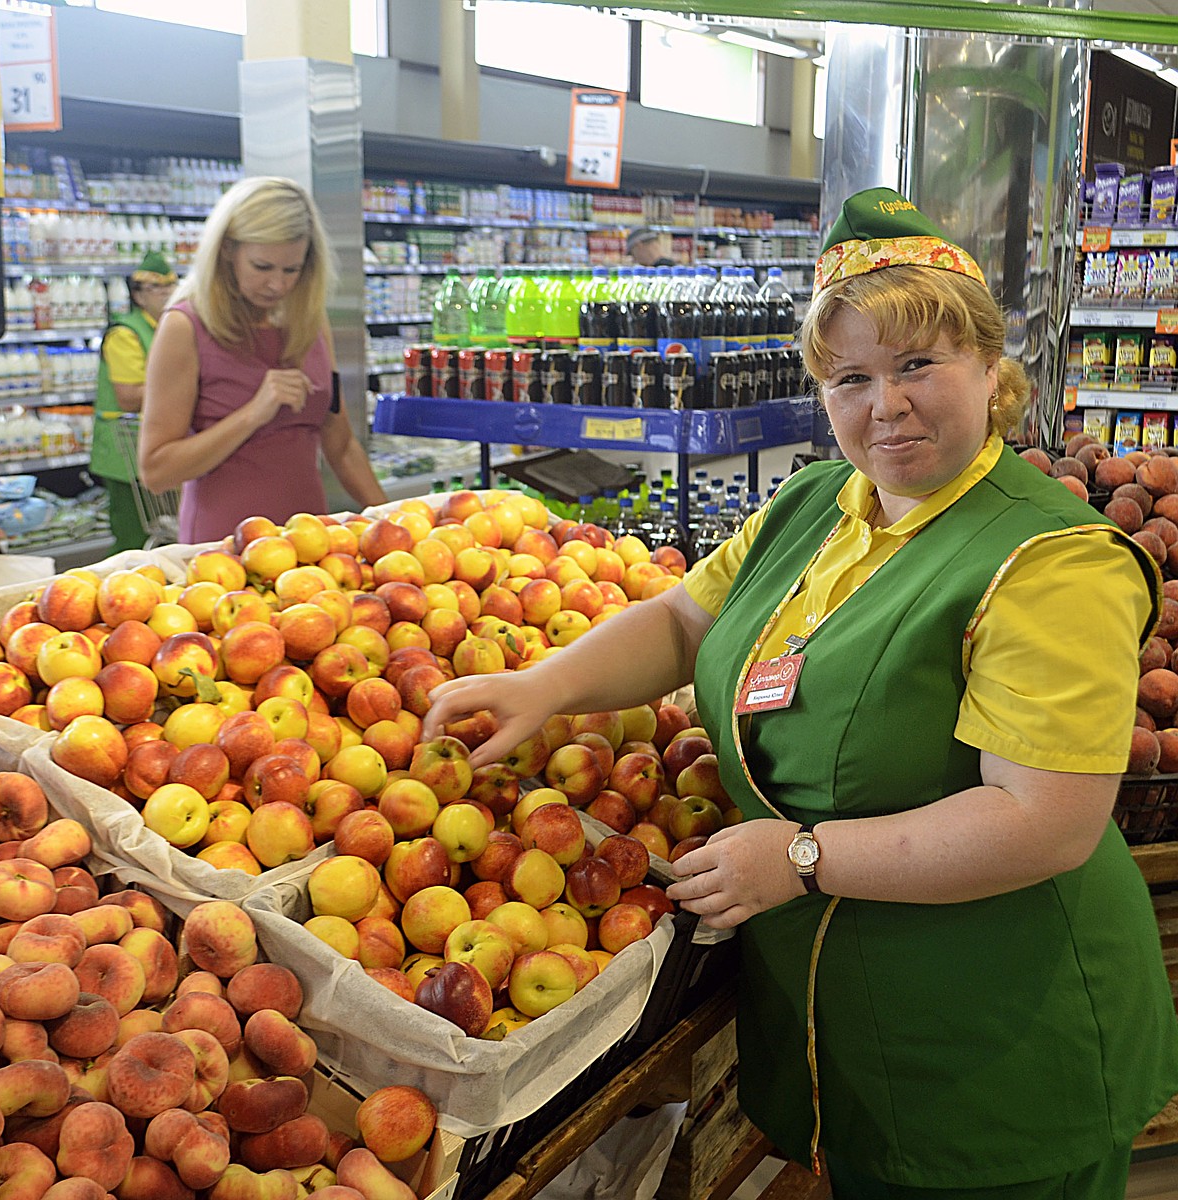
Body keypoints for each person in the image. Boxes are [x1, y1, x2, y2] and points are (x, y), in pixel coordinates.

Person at [424, 188, 1178, 1199]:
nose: (886, 405)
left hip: (998, 1034)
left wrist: (806, 856)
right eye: (851, 376)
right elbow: (688, 621)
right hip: (849, 1013)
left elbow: (1043, 823)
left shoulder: (1051, 561)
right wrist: (543, 684)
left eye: (919, 364)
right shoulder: (819, 503)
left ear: (990, 370)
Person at [138, 175, 386, 542]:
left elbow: (342, 445)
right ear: (226, 251)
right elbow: (157, 471)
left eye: (292, 270)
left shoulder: (310, 322)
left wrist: (392, 523)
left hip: (309, 540)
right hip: (223, 550)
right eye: (262, 267)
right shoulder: (185, 326)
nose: (278, 285)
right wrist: (254, 412)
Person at [90, 251, 177, 553]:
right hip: (125, 451)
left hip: (159, 445)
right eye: (157, 288)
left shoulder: (170, 327)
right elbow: (129, 396)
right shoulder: (125, 333)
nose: (167, 294)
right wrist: (186, 389)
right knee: (132, 541)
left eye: (171, 287)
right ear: (138, 296)